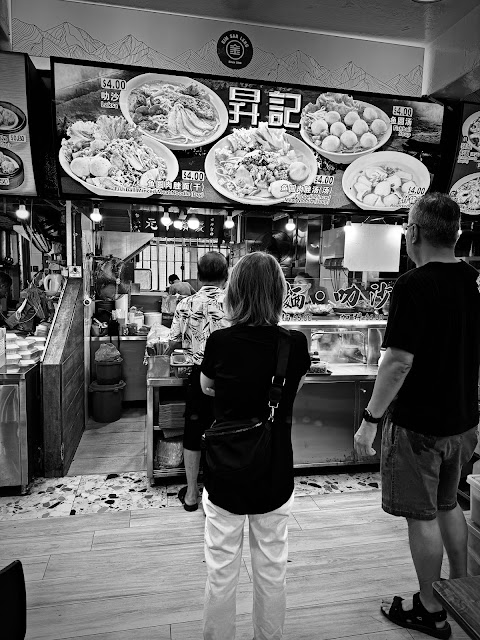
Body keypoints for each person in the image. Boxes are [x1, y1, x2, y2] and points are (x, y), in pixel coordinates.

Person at [354, 193, 480, 640]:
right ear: (457, 234)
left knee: (423, 515)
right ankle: (460, 589)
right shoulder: (475, 280)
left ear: (414, 234)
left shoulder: (413, 285)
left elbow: (398, 363)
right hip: (464, 423)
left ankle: (430, 608)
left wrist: (371, 418)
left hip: (420, 427)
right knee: (449, 505)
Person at [200, 252, 310, 640]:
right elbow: (292, 389)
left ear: (235, 291)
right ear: (279, 292)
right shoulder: (294, 344)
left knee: (221, 570)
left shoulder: (219, 340)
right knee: (272, 569)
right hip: (274, 469)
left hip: (226, 469)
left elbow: (207, 386)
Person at [168, 253, 229, 511]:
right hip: (231, 380)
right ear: (226, 275)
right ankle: (219, 494)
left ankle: (192, 495)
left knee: (194, 433)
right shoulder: (236, 302)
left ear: (198, 275)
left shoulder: (185, 304)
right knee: (227, 432)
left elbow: (172, 341)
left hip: (198, 376)